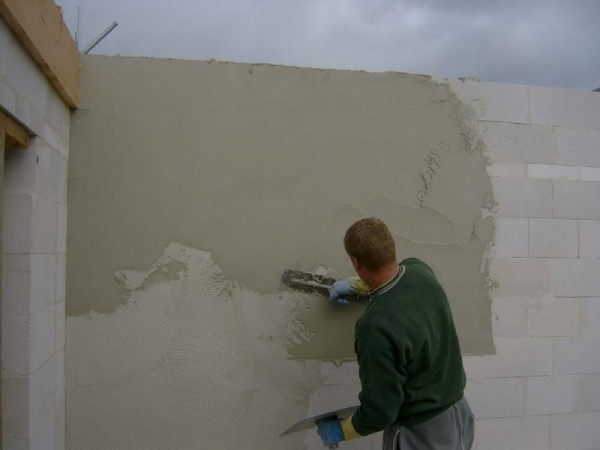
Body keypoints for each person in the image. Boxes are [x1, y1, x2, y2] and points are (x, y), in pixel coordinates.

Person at [317, 218, 474, 450]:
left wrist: (341, 430)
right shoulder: (421, 271)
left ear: (356, 262)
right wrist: (359, 286)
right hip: (459, 415)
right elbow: (400, 282)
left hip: (421, 433)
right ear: (391, 247)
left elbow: (380, 412)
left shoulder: (374, 326)